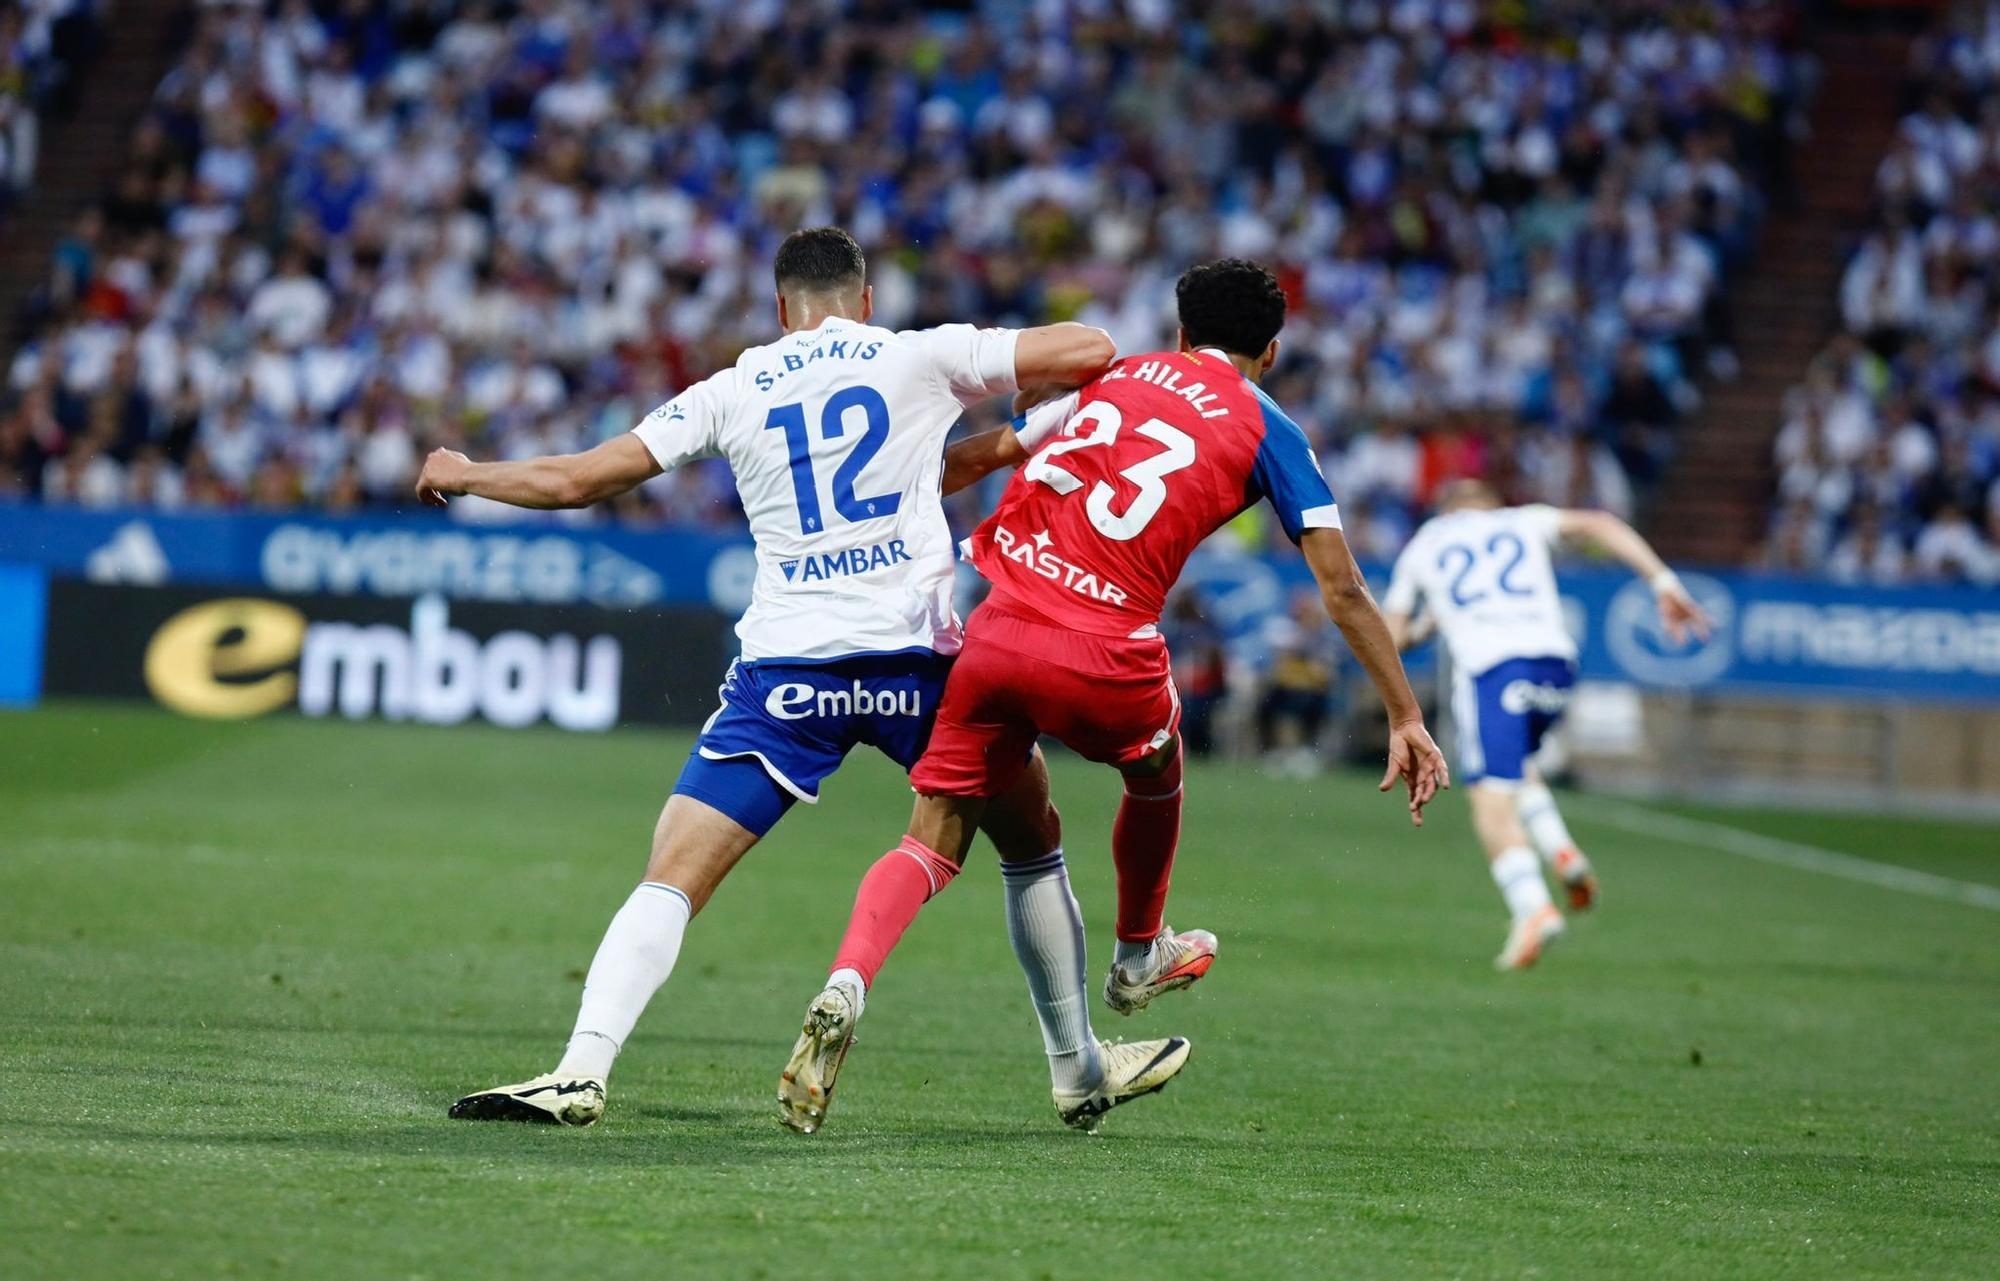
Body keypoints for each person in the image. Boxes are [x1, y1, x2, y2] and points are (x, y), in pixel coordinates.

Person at [423, 227, 1116, 1125]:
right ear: (865, 300)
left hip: (790, 673)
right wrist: (1024, 413)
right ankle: (1073, 1067)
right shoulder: (918, 355)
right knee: (1032, 839)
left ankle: (582, 1066)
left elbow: (578, 482)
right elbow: (1090, 350)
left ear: (778, 307)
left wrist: (468, 471)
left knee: (673, 871)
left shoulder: (732, 388)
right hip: (920, 668)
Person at [776, 259, 1448, 1135]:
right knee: (1159, 760)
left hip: (999, 626)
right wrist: (1404, 712)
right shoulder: (1270, 427)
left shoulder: (1113, 373)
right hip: (1103, 642)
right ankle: (1138, 955)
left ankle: (846, 981)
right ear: (1272, 351)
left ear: (1177, 331)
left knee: (934, 834)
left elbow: (1003, 451)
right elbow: (1344, 588)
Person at [1380, 481, 1711, 970]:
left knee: (1489, 800)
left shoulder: (1425, 543)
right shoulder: (1522, 519)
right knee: (1517, 766)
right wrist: (1663, 582)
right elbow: (1600, 523)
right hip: (1556, 668)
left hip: (1494, 669)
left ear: (1445, 510)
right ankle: (1562, 852)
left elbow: (1390, 638)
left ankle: (1531, 907)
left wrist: (1429, 624)